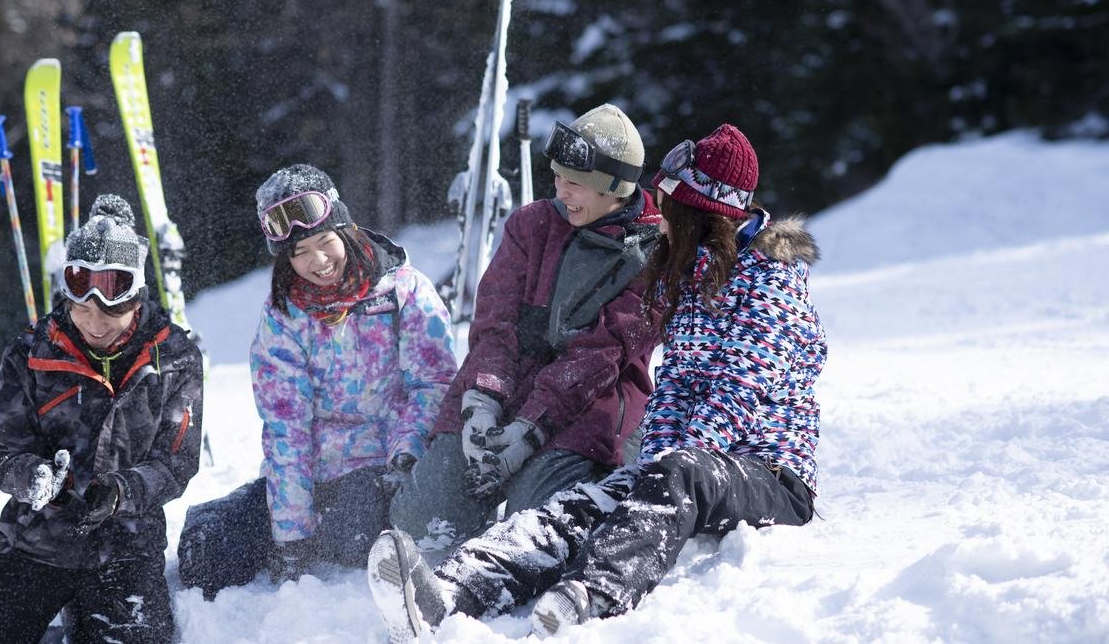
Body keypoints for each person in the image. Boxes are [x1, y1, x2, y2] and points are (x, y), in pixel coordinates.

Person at [367, 123, 827, 640]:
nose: (662, 220)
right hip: (687, 471)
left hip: (767, 473)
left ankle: (590, 593)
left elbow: (735, 396)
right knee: (577, 508)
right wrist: (644, 472)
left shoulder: (769, 286)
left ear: (701, 216)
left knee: (673, 473)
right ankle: (450, 592)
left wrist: (660, 472)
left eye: (671, 209)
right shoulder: (695, 276)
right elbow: (674, 387)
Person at [0, 194, 205, 644]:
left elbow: (176, 463)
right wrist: (34, 478)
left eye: (111, 310)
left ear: (138, 297)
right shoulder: (30, 352)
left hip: (125, 545)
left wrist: (123, 491)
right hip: (36, 541)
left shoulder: (176, 357)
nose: (95, 323)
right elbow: (8, 454)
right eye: (82, 309)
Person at [388, 103, 663, 557]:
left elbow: (599, 356)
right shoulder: (531, 224)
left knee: (531, 531)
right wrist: (482, 404)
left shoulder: (651, 254)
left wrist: (527, 432)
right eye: (557, 177)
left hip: (589, 407)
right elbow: (495, 323)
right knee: (420, 521)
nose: (561, 190)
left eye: (575, 183)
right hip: (506, 390)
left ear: (613, 187)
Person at [177, 164, 457, 598]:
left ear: (344, 231)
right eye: (300, 252)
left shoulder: (405, 291)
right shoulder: (283, 318)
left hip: (385, 466)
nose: (318, 261)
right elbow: (286, 427)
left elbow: (434, 385)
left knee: (353, 538)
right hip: (309, 475)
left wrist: (406, 457)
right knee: (208, 555)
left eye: (325, 242)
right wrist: (291, 535)